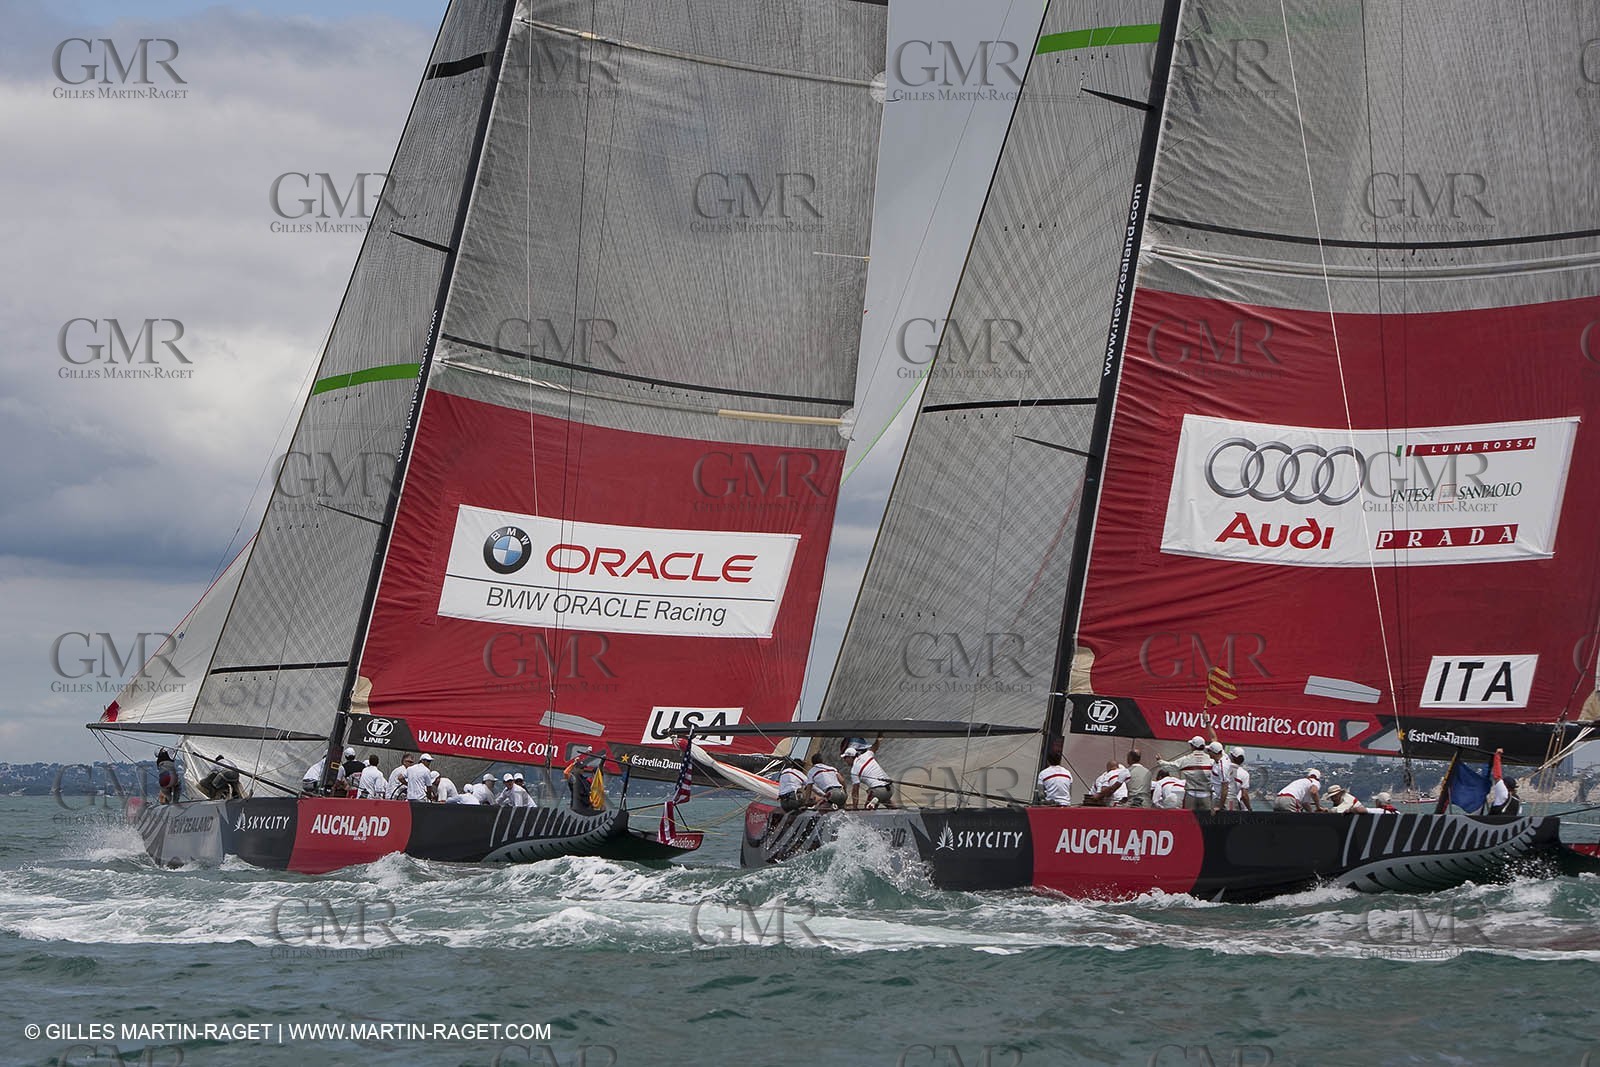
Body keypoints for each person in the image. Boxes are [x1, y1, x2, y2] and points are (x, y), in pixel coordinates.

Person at [1158, 736, 1215, 812]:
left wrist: (1160, 761)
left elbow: (1171, 766)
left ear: (1193, 746)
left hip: (1191, 794)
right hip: (1206, 795)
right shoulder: (1211, 761)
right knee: (1206, 820)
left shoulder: (1186, 759)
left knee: (1189, 819)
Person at [848, 739, 893, 809]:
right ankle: (901, 815)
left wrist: (855, 808)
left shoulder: (853, 770)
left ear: (850, 757)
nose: (845, 760)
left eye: (845, 758)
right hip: (890, 789)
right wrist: (878, 739)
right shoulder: (867, 754)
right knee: (886, 801)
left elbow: (855, 792)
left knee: (867, 809)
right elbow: (875, 746)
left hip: (878, 792)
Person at [1207, 742, 1234, 811]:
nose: (1207, 753)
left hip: (1224, 799)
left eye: (1208, 751)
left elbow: (1225, 787)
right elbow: (1214, 738)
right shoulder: (1222, 754)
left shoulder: (1222, 767)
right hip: (1221, 797)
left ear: (1214, 752)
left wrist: (1220, 806)